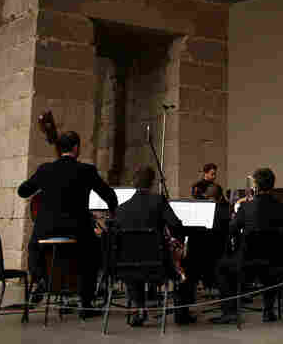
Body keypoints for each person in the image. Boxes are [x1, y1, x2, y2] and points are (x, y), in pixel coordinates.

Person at [17, 131, 117, 319]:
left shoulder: (44, 170)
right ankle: (86, 304)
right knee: (96, 250)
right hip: (77, 230)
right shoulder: (87, 171)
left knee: (34, 245)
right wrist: (113, 211)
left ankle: (40, 279)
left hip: (45, 230)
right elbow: (109, 195)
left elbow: (22, 191)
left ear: (60, 148)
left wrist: (41, 186)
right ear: (76, 148)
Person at [212, 168, 283, 324]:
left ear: (255, 186)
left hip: (247, 264)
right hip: (276, 263)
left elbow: (231, 230)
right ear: (272, 185)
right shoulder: (282, 207)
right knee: (270, 267)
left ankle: (230, 312)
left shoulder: (246, 207)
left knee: (221, 267)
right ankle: (268, 311)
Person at [114, 166, 186, 326]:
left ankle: (140, 309)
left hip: (128, 267)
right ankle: (182, 314)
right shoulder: (158, 201)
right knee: (183, 261)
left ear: (133, 183)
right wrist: (180, 242)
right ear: (152, 183)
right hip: (159, 265)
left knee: (134, 266)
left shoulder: (120, 209)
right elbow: (175, 225)